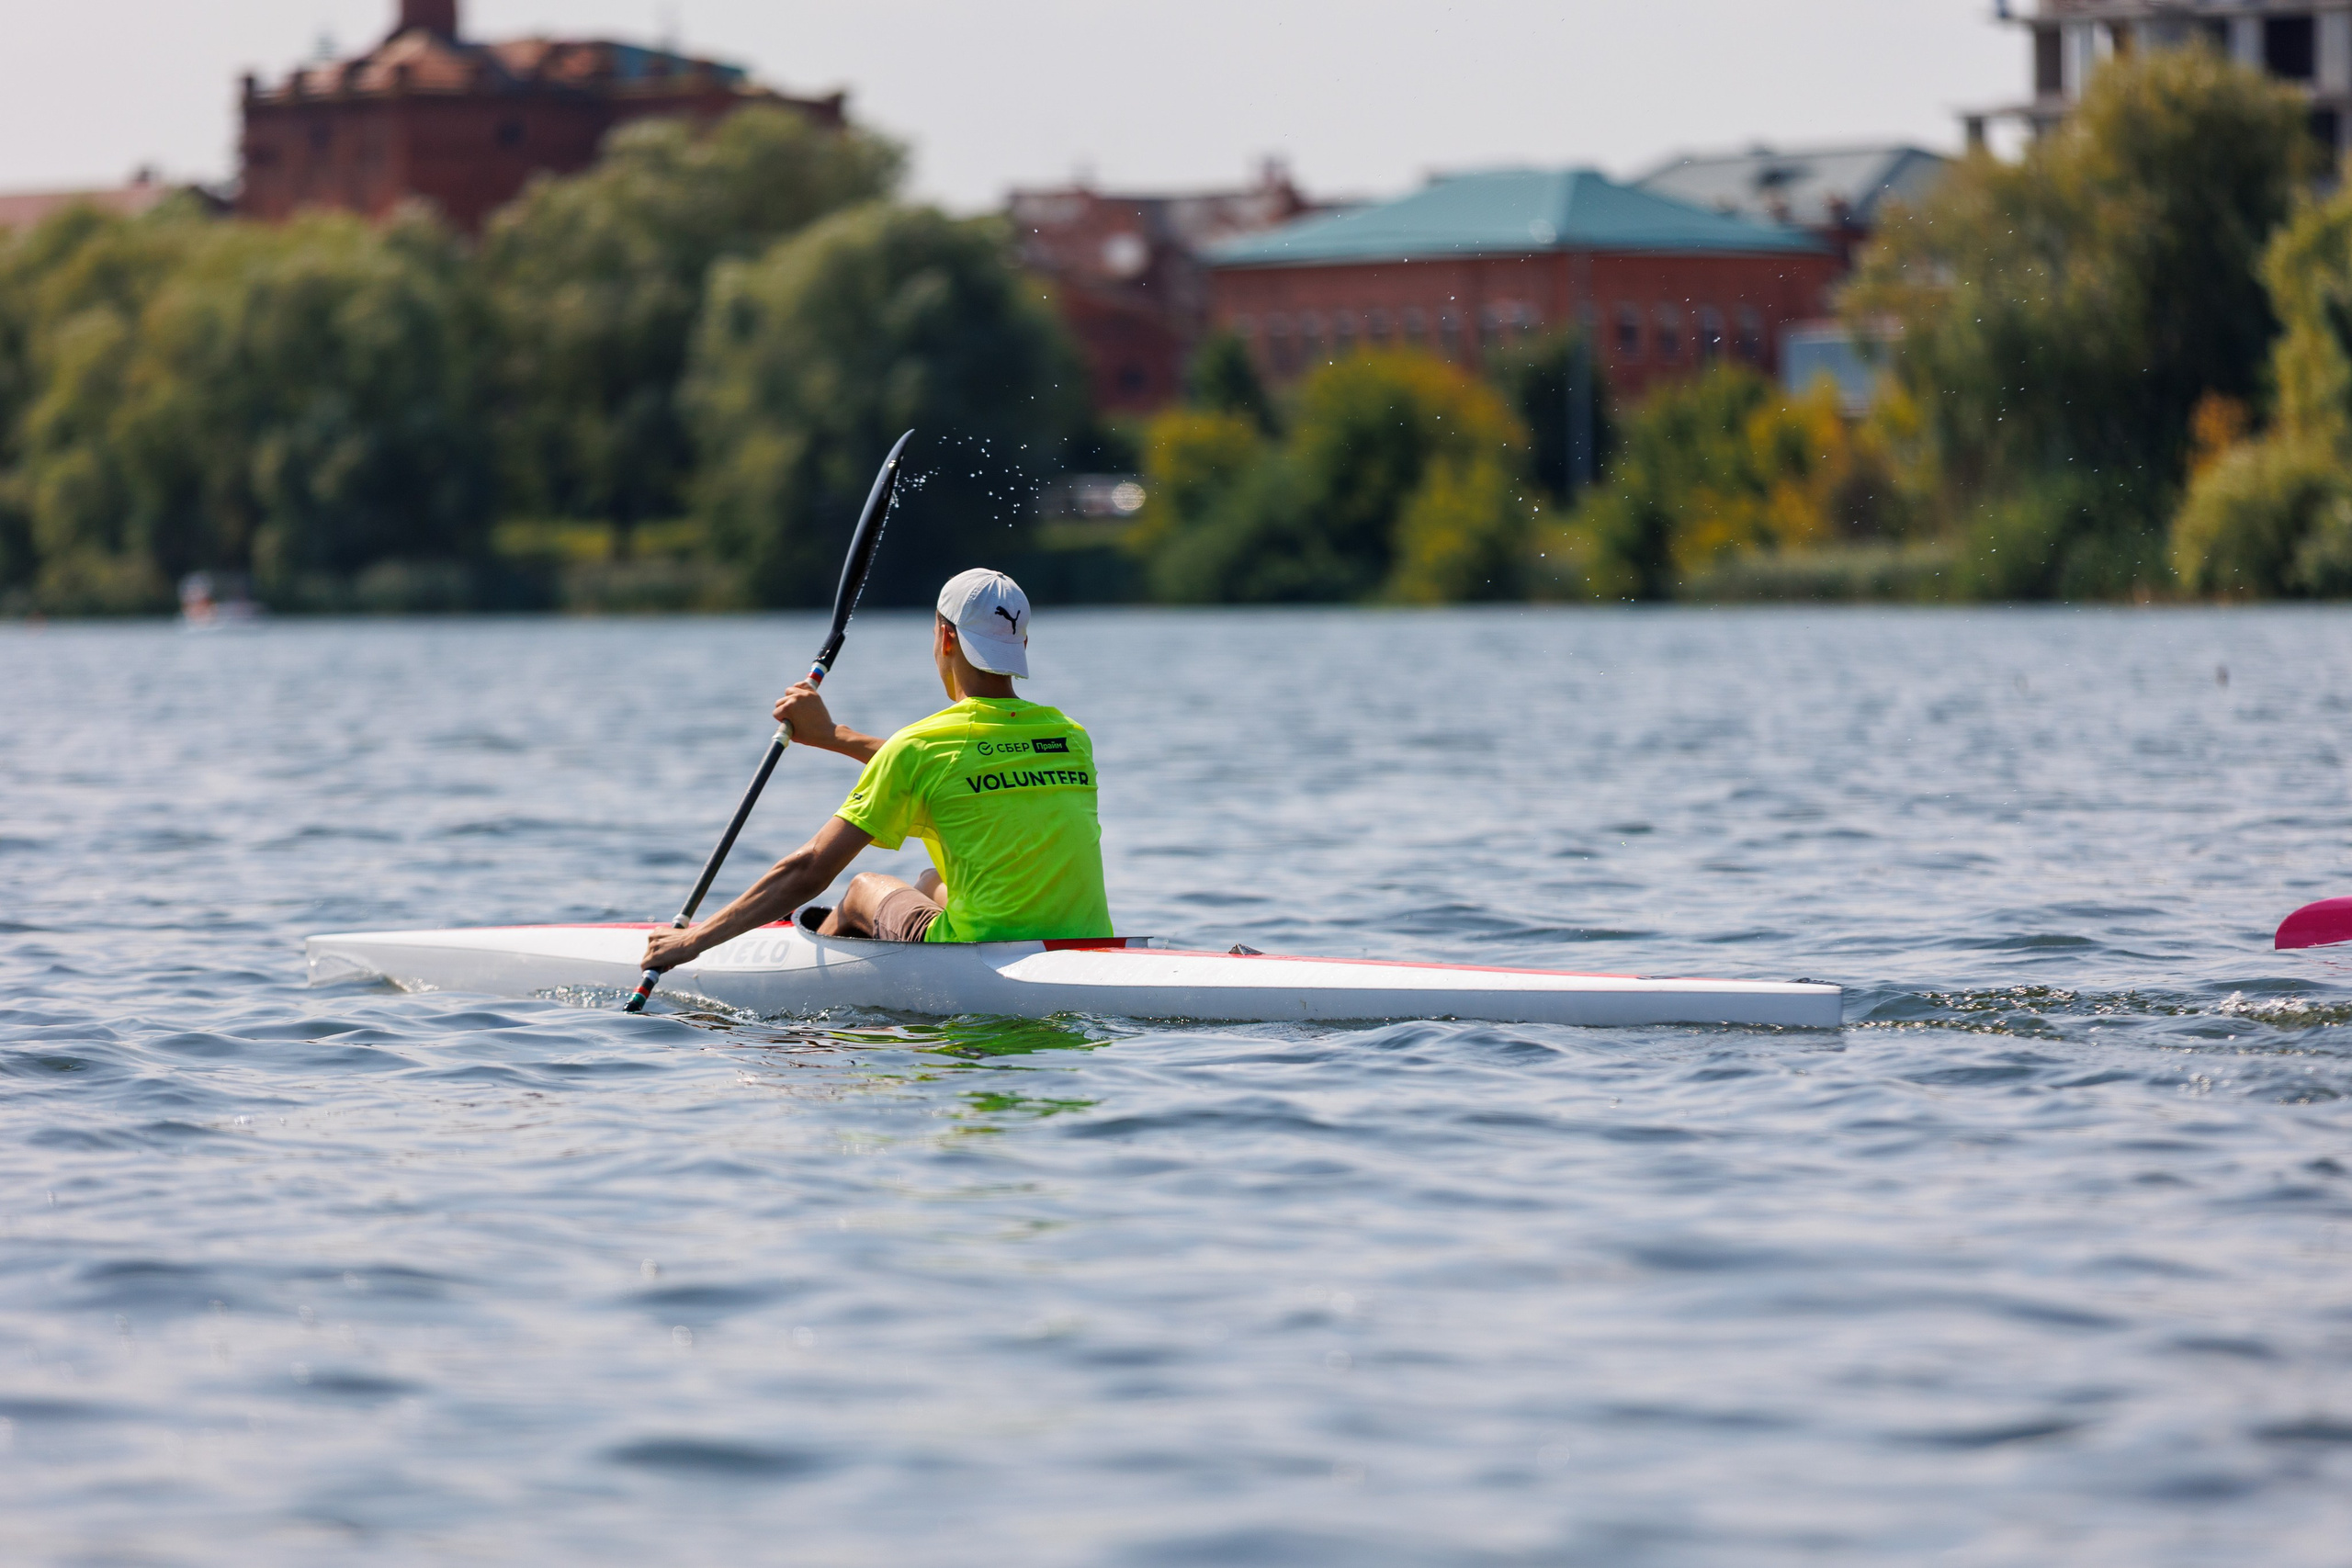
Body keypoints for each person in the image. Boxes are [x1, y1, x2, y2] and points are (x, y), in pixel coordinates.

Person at [639, 569, 1110, 974]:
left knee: (863, 888)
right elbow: (953, 769)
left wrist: (692, 941)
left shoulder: (922, 748)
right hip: (1089, 946)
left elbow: (810, 868)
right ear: (1021, 642)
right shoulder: (1072, 738)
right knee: (930, 882)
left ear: (945, 637)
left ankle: (808, 973)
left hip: (978, 956)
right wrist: (833, 735)